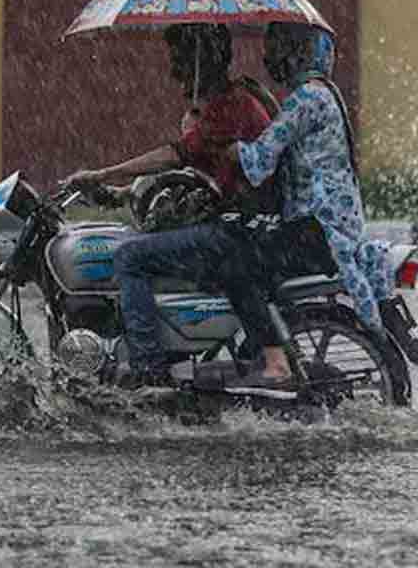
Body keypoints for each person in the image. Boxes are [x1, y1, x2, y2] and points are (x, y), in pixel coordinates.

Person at [64, 22, 279, 387]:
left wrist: (103, 174)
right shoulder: (225, 102)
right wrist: (120, 194)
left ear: (202, 58)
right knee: (138, 242)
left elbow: (174, 157)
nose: (174, 65)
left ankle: (149, 372)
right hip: (238, 224)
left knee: (130, 257)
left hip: (237, 231)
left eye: (181, 56)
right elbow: (192, 176)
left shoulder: (231, 105)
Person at [224, 21, 388, 385]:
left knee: (234, 263)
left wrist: (234, 150)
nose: (269, 59)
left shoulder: (306, 99)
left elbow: (260, 160)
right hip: (332, 227)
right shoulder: (324, 93)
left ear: (296, 53)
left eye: (276, 50)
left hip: (318, 230)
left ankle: (275, 362)